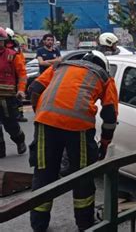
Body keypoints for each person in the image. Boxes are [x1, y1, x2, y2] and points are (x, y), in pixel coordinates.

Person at [27, 50, 118, 231]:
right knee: (82, 176)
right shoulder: (104, 76)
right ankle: (85, 224)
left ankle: (38, 224)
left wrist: (41, 114)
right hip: (79, 127)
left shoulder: (59, 67)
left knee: (44, 173)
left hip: (45, 123)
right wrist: (105, 144)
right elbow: (109, 114)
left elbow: (35, 88)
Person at [0, 27, 27, 158]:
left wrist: (21, 89)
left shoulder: (12, 55)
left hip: (7, 97)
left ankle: (19, 140)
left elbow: (22, 74)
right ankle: (0, 150)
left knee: (10, 124)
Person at [5, 28, 28, 122]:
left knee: (17, 98)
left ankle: (19, 114)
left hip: (15, 76)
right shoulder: (12, 48)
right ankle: (15, 115)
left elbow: (21, 62)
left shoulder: (14, 49)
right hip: (10, 76)